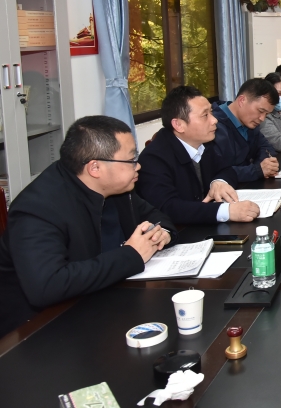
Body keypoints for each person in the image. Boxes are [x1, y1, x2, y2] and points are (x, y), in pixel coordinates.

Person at [0, 116, 177, 336]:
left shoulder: (117, 188)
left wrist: (162, 233)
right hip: (40, 329)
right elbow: (47, 286)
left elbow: (156, 216)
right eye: (131, 159)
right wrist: (132, 255)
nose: (138, 166)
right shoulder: (37, 209)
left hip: (104, 301)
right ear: (95, 167)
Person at [136, 86, 260, 225]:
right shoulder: (153, 159)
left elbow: (227, 169)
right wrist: (226, 211)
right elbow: (168, 208)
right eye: (205, 115)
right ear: (179, 125)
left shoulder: (204, 144)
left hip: (202, 227)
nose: (214, 120)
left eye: (211, 112)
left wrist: (219, 182)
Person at [212, 79, 279, 182]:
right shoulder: (213, 127)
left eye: (266, 114)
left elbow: (266, 148)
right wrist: (257, 170)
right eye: (261, 111)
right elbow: (219, 173)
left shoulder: (250, 123)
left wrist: (265, 165)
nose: (262, 118)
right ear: (242, 100)